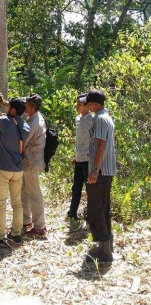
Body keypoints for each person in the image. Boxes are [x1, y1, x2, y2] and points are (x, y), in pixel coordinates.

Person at [0, 95, 30, 247]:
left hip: (3, 168)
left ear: (12, 109)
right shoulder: (25, 126)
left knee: (0, 203)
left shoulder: (5, 121)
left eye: (8, 107)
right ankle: (16, 234)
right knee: (17, 203)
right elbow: (13, 117)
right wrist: (6, 104)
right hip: (17, 169)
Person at [86, 89, 116, 262]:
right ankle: (107, 245)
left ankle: (104, 251)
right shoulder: (107, 117)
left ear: (95, 104)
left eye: (89, 103)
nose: (88, 106)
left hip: (101, 171)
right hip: (106, 170)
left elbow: (101, 145)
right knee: (103, 207)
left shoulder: (100, 118)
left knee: (95, 209)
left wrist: (95, 169)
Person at [21, 93, 47, 236]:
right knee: (24, 192)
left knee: (34, 194)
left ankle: (39, 226)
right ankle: (26, 221)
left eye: (26, 105)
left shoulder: (35, 123)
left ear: (31, 107)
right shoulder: (33, 118)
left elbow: (23, 140)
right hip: (27, 162)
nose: (24, 107)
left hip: (31, 162)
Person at [67, 93, 93, 221]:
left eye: (80, 105)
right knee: (76, 188)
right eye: (76, 104)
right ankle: (72, 213)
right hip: (79, 159)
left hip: (88, 160)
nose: (77, 107)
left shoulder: (92, 120)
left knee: (90, 189)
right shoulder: (78, 119)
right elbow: (80, 140)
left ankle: (91, 215)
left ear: (87, 106)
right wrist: (76, 156)